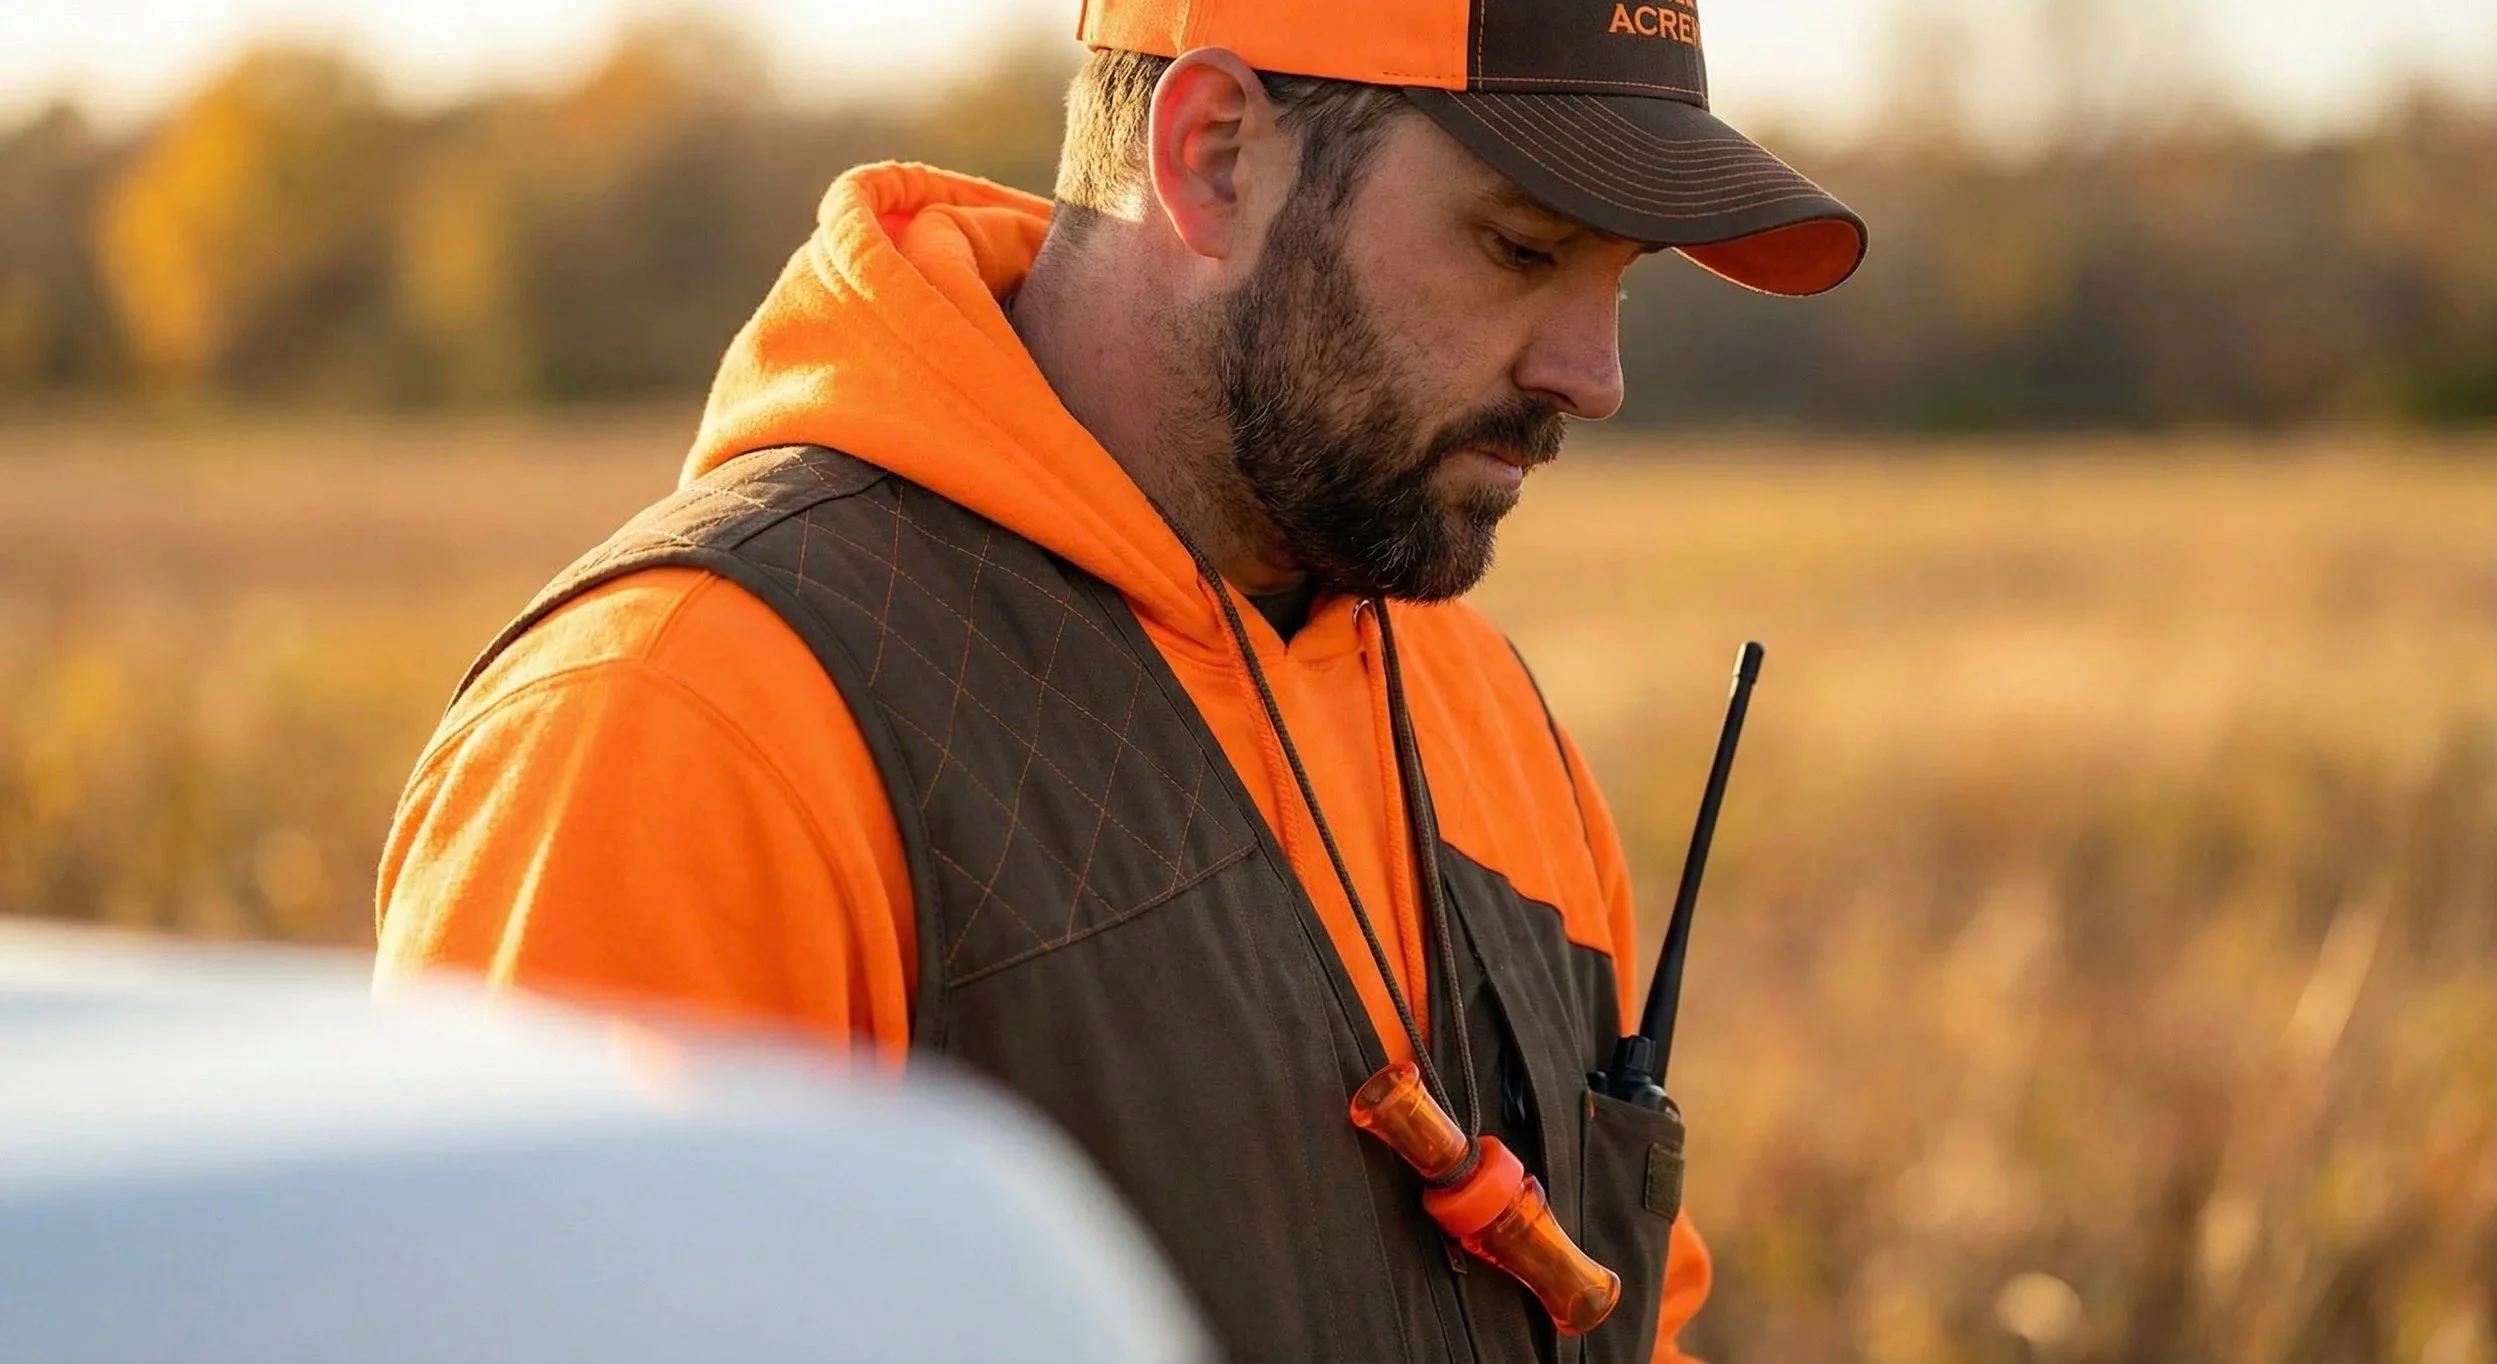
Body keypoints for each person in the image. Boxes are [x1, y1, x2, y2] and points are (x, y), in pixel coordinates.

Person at [376, 1, 1864, 1359]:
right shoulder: (688, 721)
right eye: (1523, 249)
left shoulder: (1480, 706)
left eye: (1620, 280)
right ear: (1213, 154)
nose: (1593, 376)